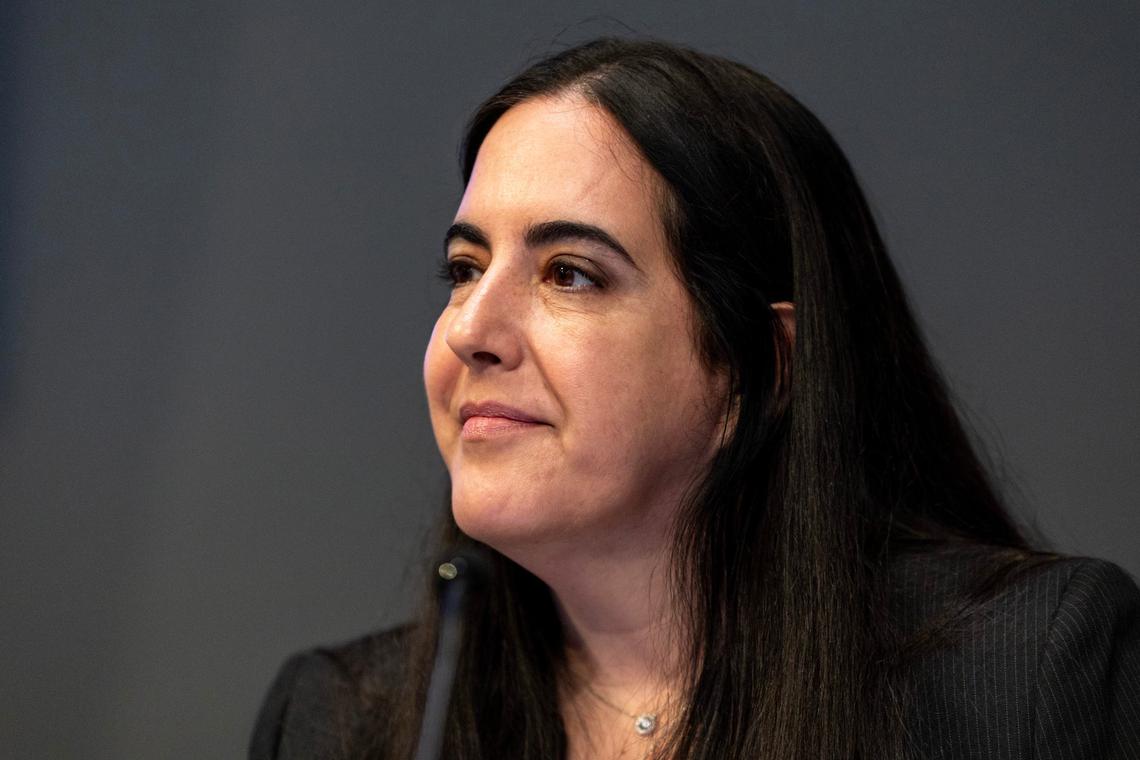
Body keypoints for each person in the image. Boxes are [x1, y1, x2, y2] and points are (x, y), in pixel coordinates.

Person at [250, 37, 1140, 760]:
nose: (469, 330)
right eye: (464, 269)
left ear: (761, 365)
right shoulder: (341, 724)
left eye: (570, 273)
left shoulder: (1024, 674)